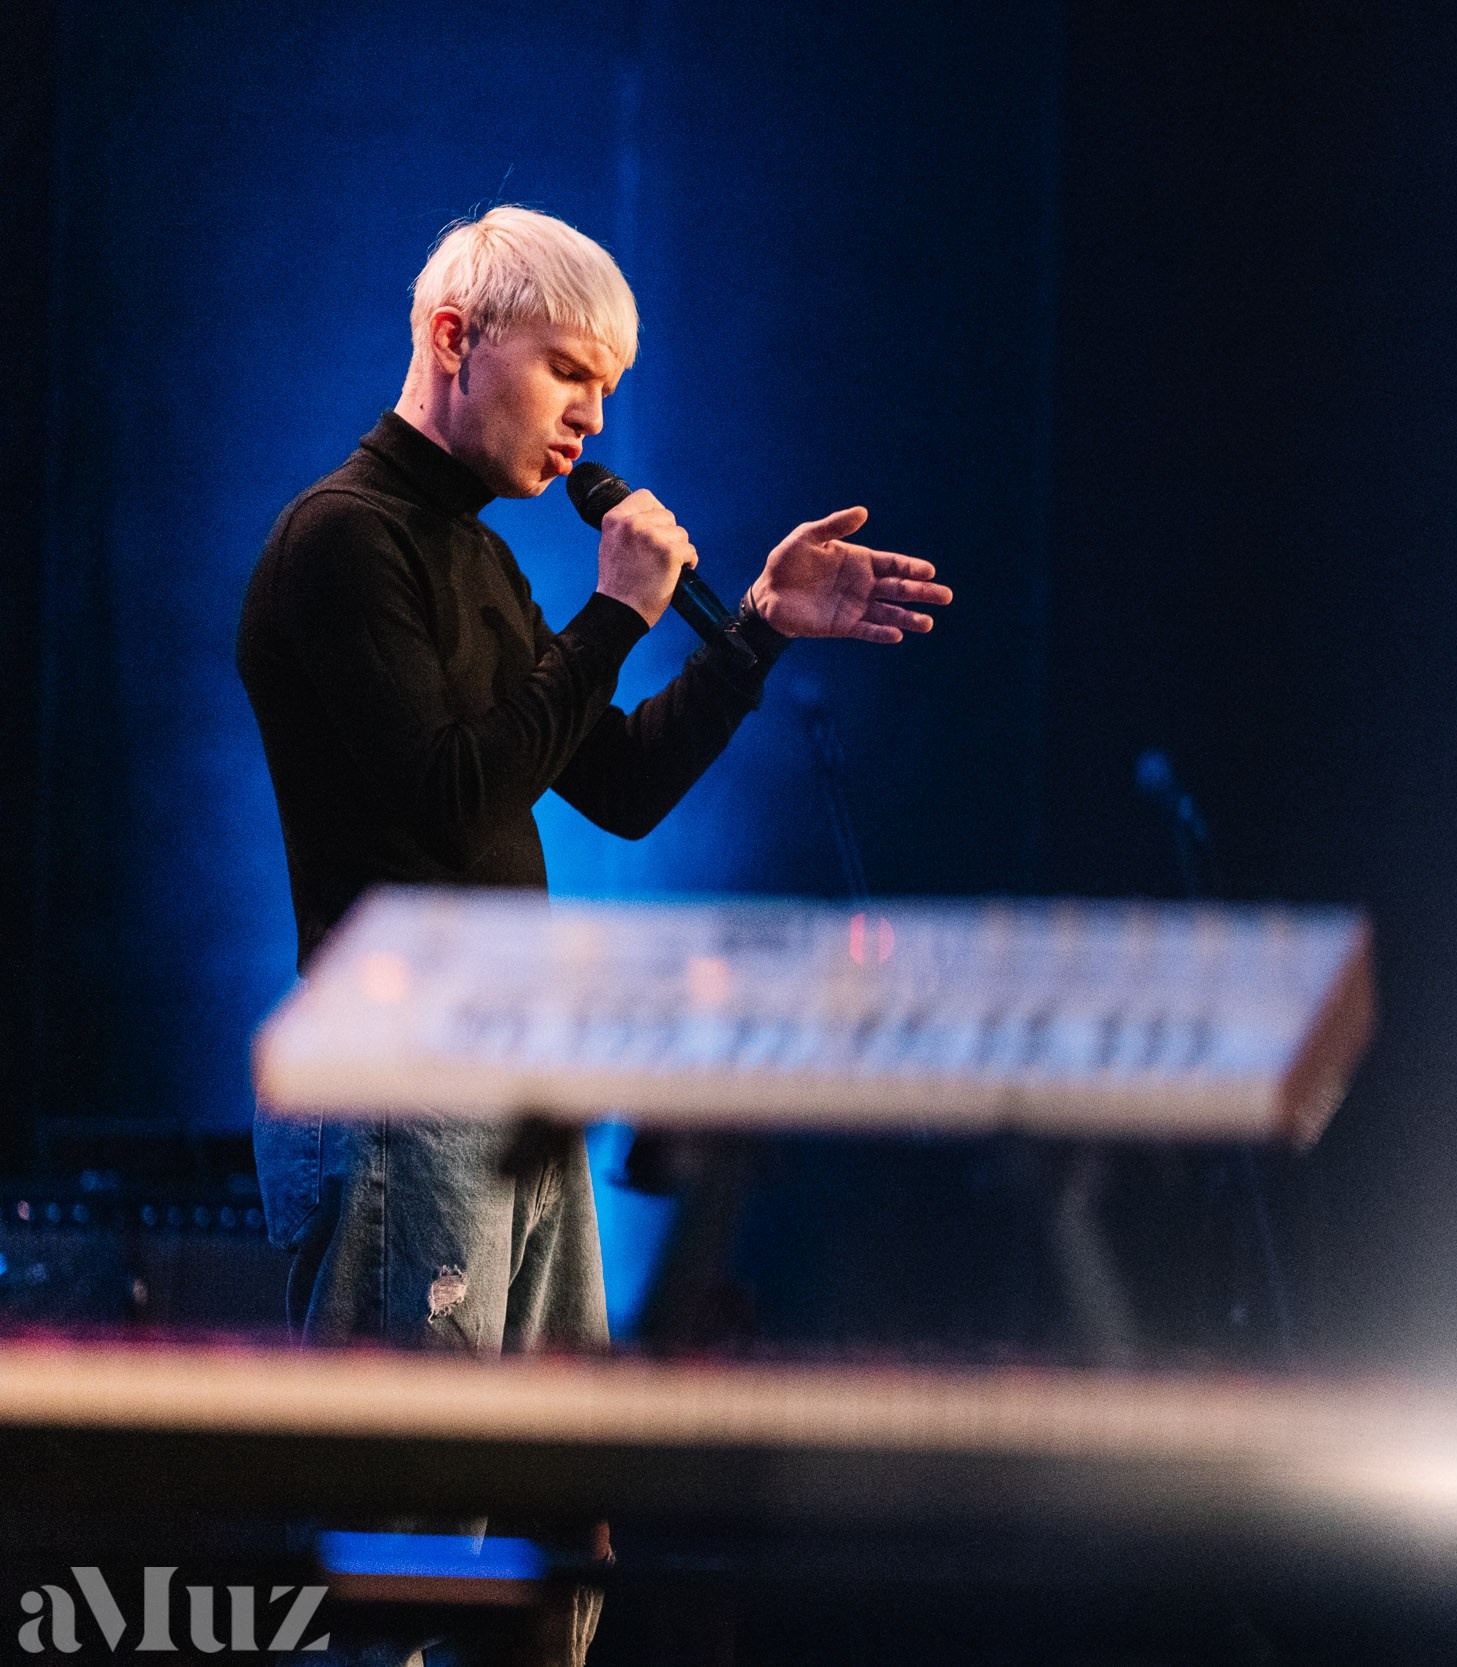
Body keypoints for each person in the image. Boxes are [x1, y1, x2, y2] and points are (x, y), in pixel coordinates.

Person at [238, 203, 950, 1351]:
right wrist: (616, 613)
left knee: (557, 1491)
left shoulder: (480, 555)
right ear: (456, 337)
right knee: (412, 1497)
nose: (593, 416)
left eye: (608, 386)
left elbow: (615, 784)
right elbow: (454, 797)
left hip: (515, 1073)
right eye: (570, 370)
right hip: (400, 1081)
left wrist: (755, 630)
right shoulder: (340, 538)